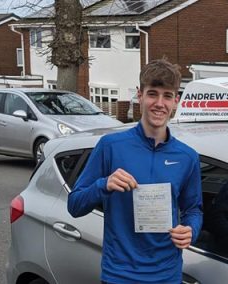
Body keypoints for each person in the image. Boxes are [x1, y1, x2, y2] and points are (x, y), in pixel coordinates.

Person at [67, 59, 203, 284]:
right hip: (119, 275)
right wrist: (104, 185)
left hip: (167, 276)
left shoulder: (187, 157)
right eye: (152, 94)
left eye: (167, 96)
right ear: (139, 95)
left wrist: (191, 230)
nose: (160, 103)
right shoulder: (110, 146)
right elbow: (75, 205)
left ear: (176, 101)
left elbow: (193, 209)